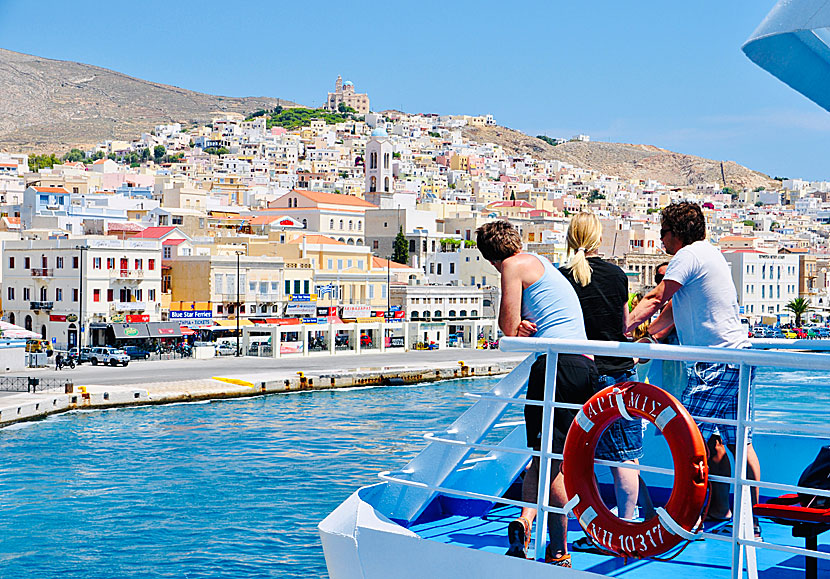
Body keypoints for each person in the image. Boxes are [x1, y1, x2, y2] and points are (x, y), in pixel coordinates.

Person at [626, 202, 761, 533]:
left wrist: (624, 327)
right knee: (739, 443)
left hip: (714, 364)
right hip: (738, 357)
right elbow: (671, 312)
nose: (661, 242)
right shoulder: (710, 254)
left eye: (663, 235)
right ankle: (751, 521)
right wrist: (643, 337)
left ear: (675, 234)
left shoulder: (687, 255)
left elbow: (657, 298)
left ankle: (691, 517)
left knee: (689, 441)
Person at [476, 220, 597, 567]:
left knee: (552, 463)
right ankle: (528, 523)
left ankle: (555, 547)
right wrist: (522, 326)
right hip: (581, 365)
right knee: (541, 456)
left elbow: (506, 326)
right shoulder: (541, 265)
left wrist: (516, 327)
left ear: (490, 257)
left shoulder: (513, 266)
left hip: (557, 365)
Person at [558, 213, 653, 543]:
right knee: (625, 456)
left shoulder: (562, 278)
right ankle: (627, 524)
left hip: (580, 373)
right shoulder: (617, 275)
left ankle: (581, 522)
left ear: (571, 239)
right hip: (621, 370)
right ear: (598, 238)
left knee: (572, 454)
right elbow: (624, 324)